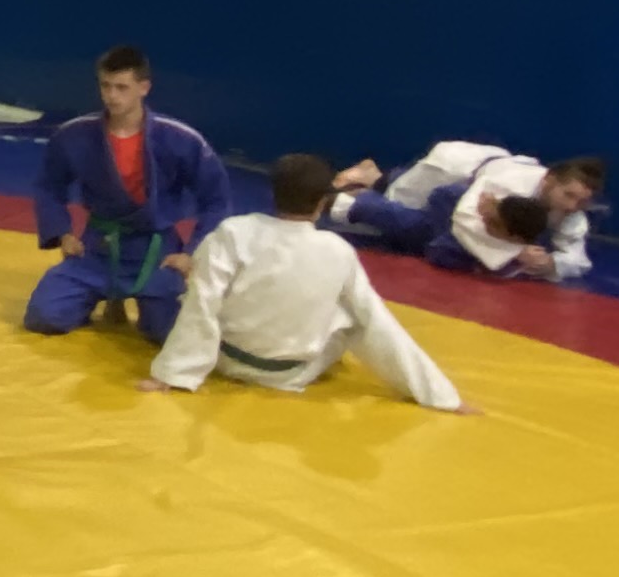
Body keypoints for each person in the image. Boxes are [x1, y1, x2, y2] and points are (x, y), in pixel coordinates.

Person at [151, 155, 468, 409]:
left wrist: (174, 374)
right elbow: (378, 322)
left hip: (226, 359)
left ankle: (185, 364)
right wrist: (441, 396)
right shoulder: (338, 250)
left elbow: (203, 301)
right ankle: (429, 390)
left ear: (272, 194)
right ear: (322, 203)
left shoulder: (234, 232)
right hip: (290, 374)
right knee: (355, 314)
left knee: (199, 290)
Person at [27, 44, 233, 342]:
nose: (112, 96)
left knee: (170, 333)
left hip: (156, 248)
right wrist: (62, 233)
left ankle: (145, 304)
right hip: (98, 246)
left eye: (122, 87)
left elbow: (217, 200)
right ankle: (99, 296)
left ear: (144, 87)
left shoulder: (180, 138)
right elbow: (48, 185)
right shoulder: (74, 134)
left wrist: (192, 253)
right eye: (105, 86)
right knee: (44, 316)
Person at [328, 144, 606, 282]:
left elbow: (578, 259)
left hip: (478, 169)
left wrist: (552, 264)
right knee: (398, 199)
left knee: (415, 216)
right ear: (549, 180)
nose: (572, 206)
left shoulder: (570, 211)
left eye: (581, 201)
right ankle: (366, 182)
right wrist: (515, 253)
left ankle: (370, 176)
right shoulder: (508, 184)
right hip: (452, 167)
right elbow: (463, 218)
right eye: (568, 195)